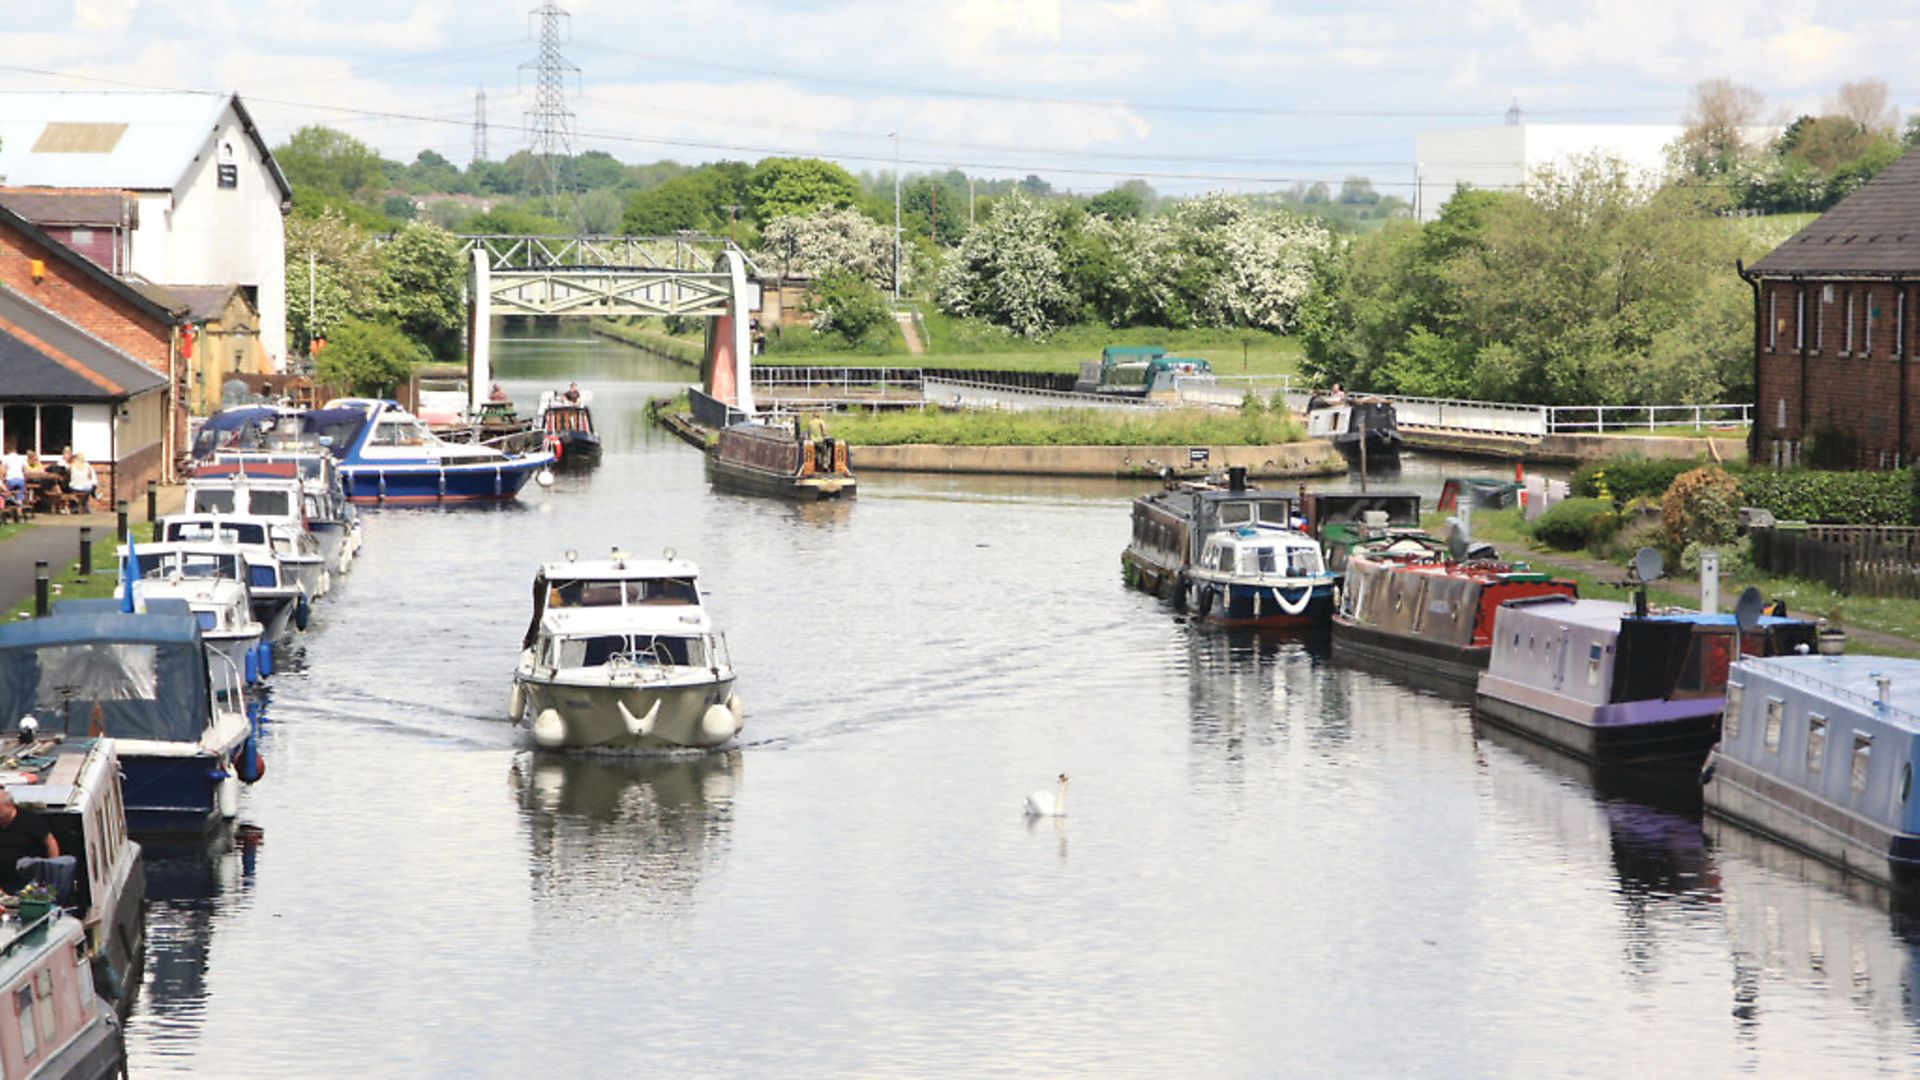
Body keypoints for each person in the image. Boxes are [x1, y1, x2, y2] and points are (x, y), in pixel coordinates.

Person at [0, 787, 59, 894]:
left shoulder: (29, 820)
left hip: (26, 883)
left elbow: (50, 841)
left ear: (9, 806)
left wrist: (53, 867)